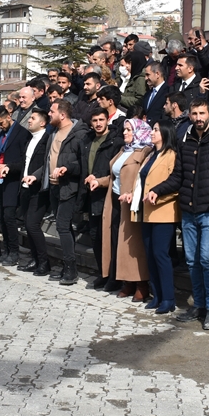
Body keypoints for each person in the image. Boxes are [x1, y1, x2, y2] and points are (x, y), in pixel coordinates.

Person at [151, 99, 209, 329]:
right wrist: (156, 190)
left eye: (202, 113)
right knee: (191, 260)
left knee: (207, 257)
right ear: (189, 115)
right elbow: (178, 175)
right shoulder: (185, 138)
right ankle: (198, 304)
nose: (198, 117)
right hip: (189, 210)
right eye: (194, 114)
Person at [102, 119, 152, 302]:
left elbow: (145, 178)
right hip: (115, 200)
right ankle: (126, 282)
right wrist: (98, 181)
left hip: (133, 203)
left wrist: (132, 194)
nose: (125, 133)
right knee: (119, 242)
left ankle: (141, 284)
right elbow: (114, 175)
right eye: (124, 130)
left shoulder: (145, 151)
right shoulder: (124, 150)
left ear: (139, 131)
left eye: (129, 130)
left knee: (133, 245)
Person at [139, 121, 179, 312]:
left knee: (161, 254)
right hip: (146, 212)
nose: (152, 133)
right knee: (150, 255)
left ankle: (169, 299)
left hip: (164, 212)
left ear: (165, 133)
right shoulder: (151, 155)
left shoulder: (171, 155)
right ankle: (157, 295)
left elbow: (176, 185)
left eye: (156, 130)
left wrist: (159, 198)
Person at [46, 99, 88, 285]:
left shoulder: (78, 134)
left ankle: (71, 268)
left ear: (62, 114)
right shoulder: (53, 132)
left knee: (62, 226)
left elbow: (83, 163)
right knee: (63, 227)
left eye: (52, 111)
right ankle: (66, 265)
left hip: (69, 188)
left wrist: (67, 169)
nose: (49, 114)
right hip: (54, 186)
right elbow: (48, 158)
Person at [84, 106, 123, 286]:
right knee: (95, 236)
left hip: (107, 194)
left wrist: (98, 178)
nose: (98, 124)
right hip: (90, 193)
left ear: (107, 120)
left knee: (107, 237)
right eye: (95, 120)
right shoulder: (88, 140)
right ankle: (102, 273)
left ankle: (113, 276)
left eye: (101, 120)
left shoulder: (115, 141)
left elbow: (115, 170)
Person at [0, 104, 32, 264]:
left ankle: (14, 252)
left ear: (9, 116)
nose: (0, 126)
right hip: (0, 181)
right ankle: (6, 250)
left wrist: (10, 167)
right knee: (2, 217)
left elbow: (25, 160)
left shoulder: (22, 134)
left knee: (9, 217)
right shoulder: (1, 135)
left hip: (13, 181)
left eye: (1, 123)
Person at [18, 108, 52, 275]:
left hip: (39, 189)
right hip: (25, 187)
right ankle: (35, 259)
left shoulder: (47, 139)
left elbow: (46, 163)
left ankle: (44, 262)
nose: (29, 120)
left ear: (43, 122)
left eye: (32, 118)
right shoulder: (29, 139)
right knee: (27, 225)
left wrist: (35, 177)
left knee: (33, 224)